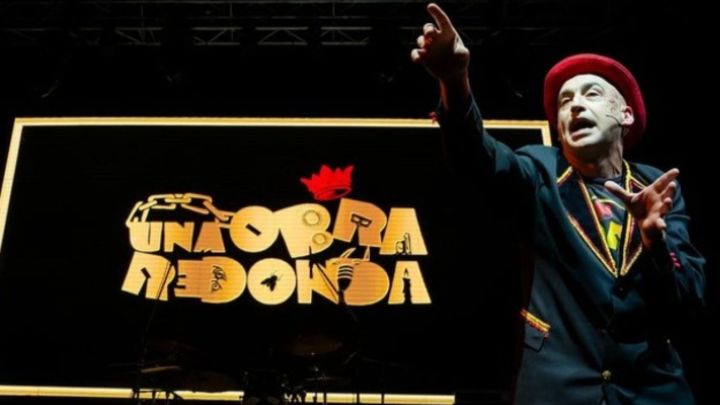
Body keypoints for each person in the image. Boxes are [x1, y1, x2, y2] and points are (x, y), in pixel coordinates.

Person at [411, 3, 706, 404]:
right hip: (558, 387)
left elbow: (689, 301)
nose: (575, 106)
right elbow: (474, 155)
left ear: (626, 115)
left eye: (591, 94)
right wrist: (454, 79)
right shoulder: (539, 171)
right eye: (565, 102)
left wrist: (656, 241)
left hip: (651, 389)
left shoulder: (657, 187)